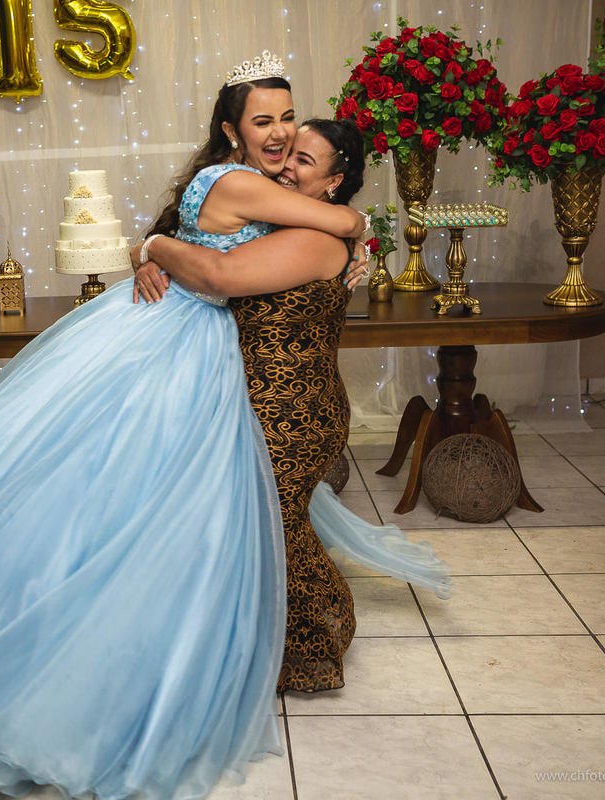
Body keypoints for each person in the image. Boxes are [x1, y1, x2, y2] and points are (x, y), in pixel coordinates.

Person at [0, 54, 378, 800]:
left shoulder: (263, 193)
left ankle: (212, 638)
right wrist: (170, 247)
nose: (278, 135)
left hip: (203, 347)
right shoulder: (244, 184)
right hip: (179, 339)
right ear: (232, 129)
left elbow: (261, 251)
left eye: (287, 122)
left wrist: (155, 244)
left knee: (137, 494)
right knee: (107, 486)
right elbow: (291, 241)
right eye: (263, 122)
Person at [134, 119, 449, 693]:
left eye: (305, 161)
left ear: (334, 182)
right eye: (286, 155)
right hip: (263, 402)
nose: (285, 166)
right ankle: (260, 633)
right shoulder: (272, 225)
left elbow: (216, 273)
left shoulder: (313, 239)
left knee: (274, 523)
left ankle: (315, 641)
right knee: (256, 521)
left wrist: (154, 246)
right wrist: (147, 252)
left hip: (294, 409)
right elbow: (203, 251)